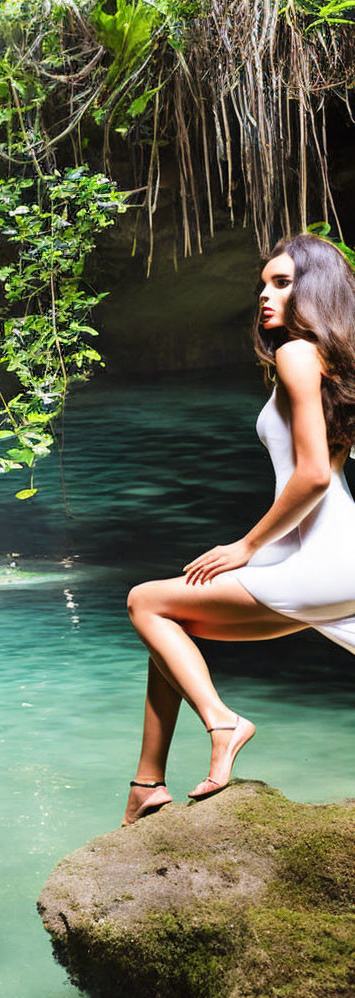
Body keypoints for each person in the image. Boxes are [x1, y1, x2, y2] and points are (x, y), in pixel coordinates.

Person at [122, 231, 355, 827]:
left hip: (325, 557)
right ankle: (146, 785)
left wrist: (244, 546)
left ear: (317, 289)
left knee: (145, 601)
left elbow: (312, 478)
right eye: (262, 285)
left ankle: (223, 723)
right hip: (327, 556)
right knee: (167, 632)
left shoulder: (298, 354)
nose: (265, 296)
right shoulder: (328, 361)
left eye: (282, 282)